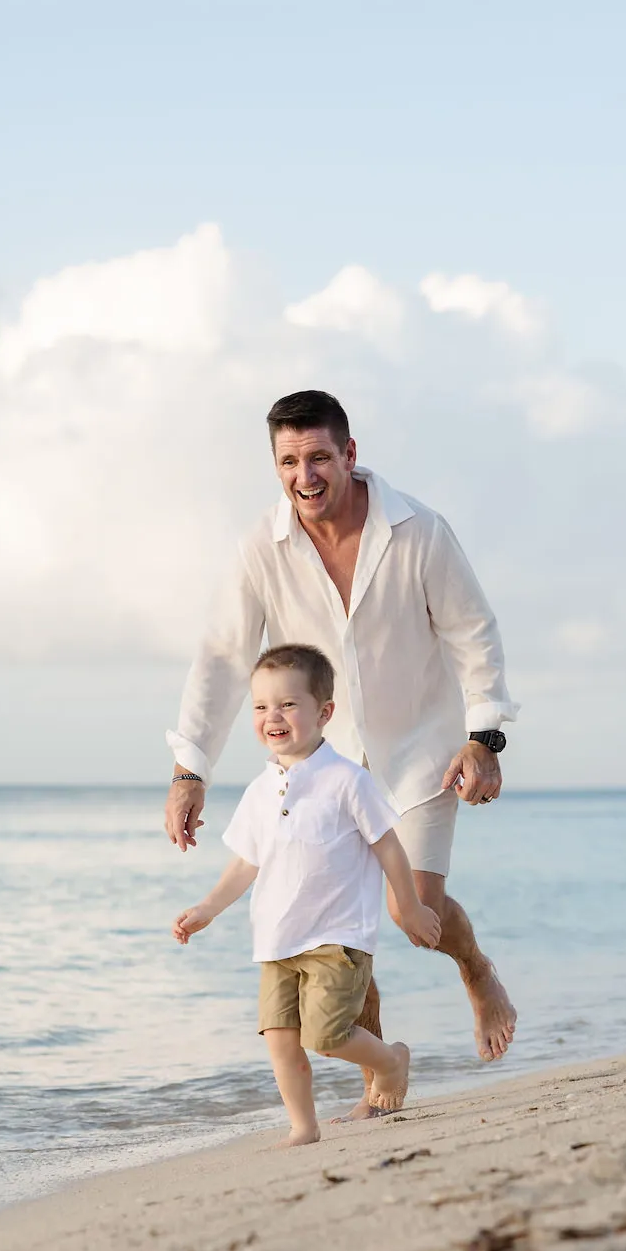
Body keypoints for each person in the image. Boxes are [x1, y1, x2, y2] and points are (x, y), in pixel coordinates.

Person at [165, 388, 518, 1119]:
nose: (305, 476)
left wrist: (483, 739)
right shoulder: (261, 548)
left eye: (319, 457)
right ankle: (379, 1074)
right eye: (288, 461)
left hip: (420, 750)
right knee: (337, 927)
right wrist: (189, 768)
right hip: (326, 761)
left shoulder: (419, 531)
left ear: (350, 455)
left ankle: (476, 969)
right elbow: (224, 658)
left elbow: (472, 632)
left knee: (411, 907)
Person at [172, 644, 441, 1145]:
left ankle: (392, 1061)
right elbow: (246, 862)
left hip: (337, 937)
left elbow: (389, 846)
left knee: (326, 1035)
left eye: (288, 704)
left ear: (324, 712)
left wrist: (410, 905)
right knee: (279, 1040)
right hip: (276, 940)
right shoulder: (259, 791)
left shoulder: (347, 781)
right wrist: (208, 908)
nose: (272, 716)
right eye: (260, 706)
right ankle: (304, 1126)